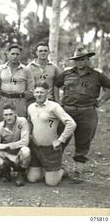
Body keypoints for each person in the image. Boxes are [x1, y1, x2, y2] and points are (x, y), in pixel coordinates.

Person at [55, 46, 110, 180]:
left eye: (83, 59)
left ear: (88, 60)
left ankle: (78, 171)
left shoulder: (97, 75)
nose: (80, 62)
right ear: (74, 61)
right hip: (67, 111)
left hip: (87, 112)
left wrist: (101, 101)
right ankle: (55, 167)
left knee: (83, 142)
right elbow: (56, 84)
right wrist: (57, 103)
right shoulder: (67, 73)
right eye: (77, 60)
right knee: (60, 139)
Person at [27, 81, 76, 186]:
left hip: (51, 149)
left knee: (51, 183)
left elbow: (71, 124)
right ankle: (46, 170)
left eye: (42, 92)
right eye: (37, 92)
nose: (39, 95)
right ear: (33, 93)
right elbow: (30, 122)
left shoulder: (54, 106)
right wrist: (30, 135)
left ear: (47, 93)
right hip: (36, 148)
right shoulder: (31, 107)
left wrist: (60, 140)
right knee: (32, 179)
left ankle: (61, 171)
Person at [0, 101, 31, 187]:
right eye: (6, 115)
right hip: (6, 155)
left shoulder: (22, 121)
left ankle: (21, 172)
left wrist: (8, 145)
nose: (8, 117)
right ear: (2, 115)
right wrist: (8, 155)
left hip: (18, 153)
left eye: (10, 114)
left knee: (26, 151)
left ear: (15, 113)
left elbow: (25, 141)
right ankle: (6, 170)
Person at [0, 44, 34, 121]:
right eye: (12, 54)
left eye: (17, 54)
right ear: (8, 55)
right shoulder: (1, 69)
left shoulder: (26, 70)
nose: (15, 56)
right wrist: (0, 97)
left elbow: (31, 88)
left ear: (20, 55)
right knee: (1, 123)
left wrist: (23, 100)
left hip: (19, 101)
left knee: (20, 123)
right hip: (3, 100)